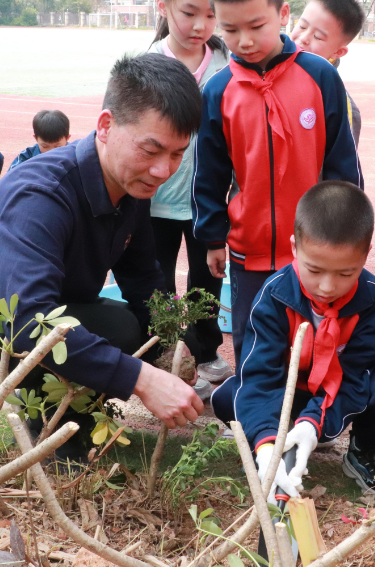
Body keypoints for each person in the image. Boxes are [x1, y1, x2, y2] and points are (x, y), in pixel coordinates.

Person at [0, 54, 206, 459]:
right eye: (151, 149)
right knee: (115, 334)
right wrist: (143, 380)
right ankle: (51, 434)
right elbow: (27, 321)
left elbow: (144, 279)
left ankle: (72, 414)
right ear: (106, 126)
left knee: (129, 326)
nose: (163, 170)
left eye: (178, 154)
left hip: (53, 308)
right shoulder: (41, 196)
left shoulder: (132, 185)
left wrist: (172, 344)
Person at [211, 182, 375, 497]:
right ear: (294, 247)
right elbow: (261, 376)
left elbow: (353, 376)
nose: (327, 286)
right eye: (314, 269)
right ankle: (264, 447)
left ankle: (362, 452)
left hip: (337, 395)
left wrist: (313, 423)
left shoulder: (372, 300)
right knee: (229, 397)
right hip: (285, 391)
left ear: (366, 256)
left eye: (346, 274)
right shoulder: (273, 296)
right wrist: (266, 441)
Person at [192, 0, 363, 374]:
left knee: (310, 345)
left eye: (256, 26)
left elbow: (343, 166)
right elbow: (209, 174)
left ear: (283, 14)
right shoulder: (219, 90)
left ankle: (309, 423)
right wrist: (212, 238)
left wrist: (344, 239)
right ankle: (256, 427)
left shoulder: (320, 76)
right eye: (230, 30)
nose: (245, 40)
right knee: (253, 343)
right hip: (246, 250)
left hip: (312, 254)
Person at [146, 0, 233, 391]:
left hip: (209, 204)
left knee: (207, 281)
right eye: (189, 12)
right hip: (154, 202)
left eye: (211, 15)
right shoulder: (145, 65)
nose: (201, 25)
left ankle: (206, 352)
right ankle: (168, 356)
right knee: (158, 282)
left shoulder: (227, 64)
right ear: (163, 8)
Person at [289, 0, 364, 143]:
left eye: (317, 37)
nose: (303, 38)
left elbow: (342, 163)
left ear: (338, 52)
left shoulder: (338, 105)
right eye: (302, 26)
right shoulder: (263, 70)